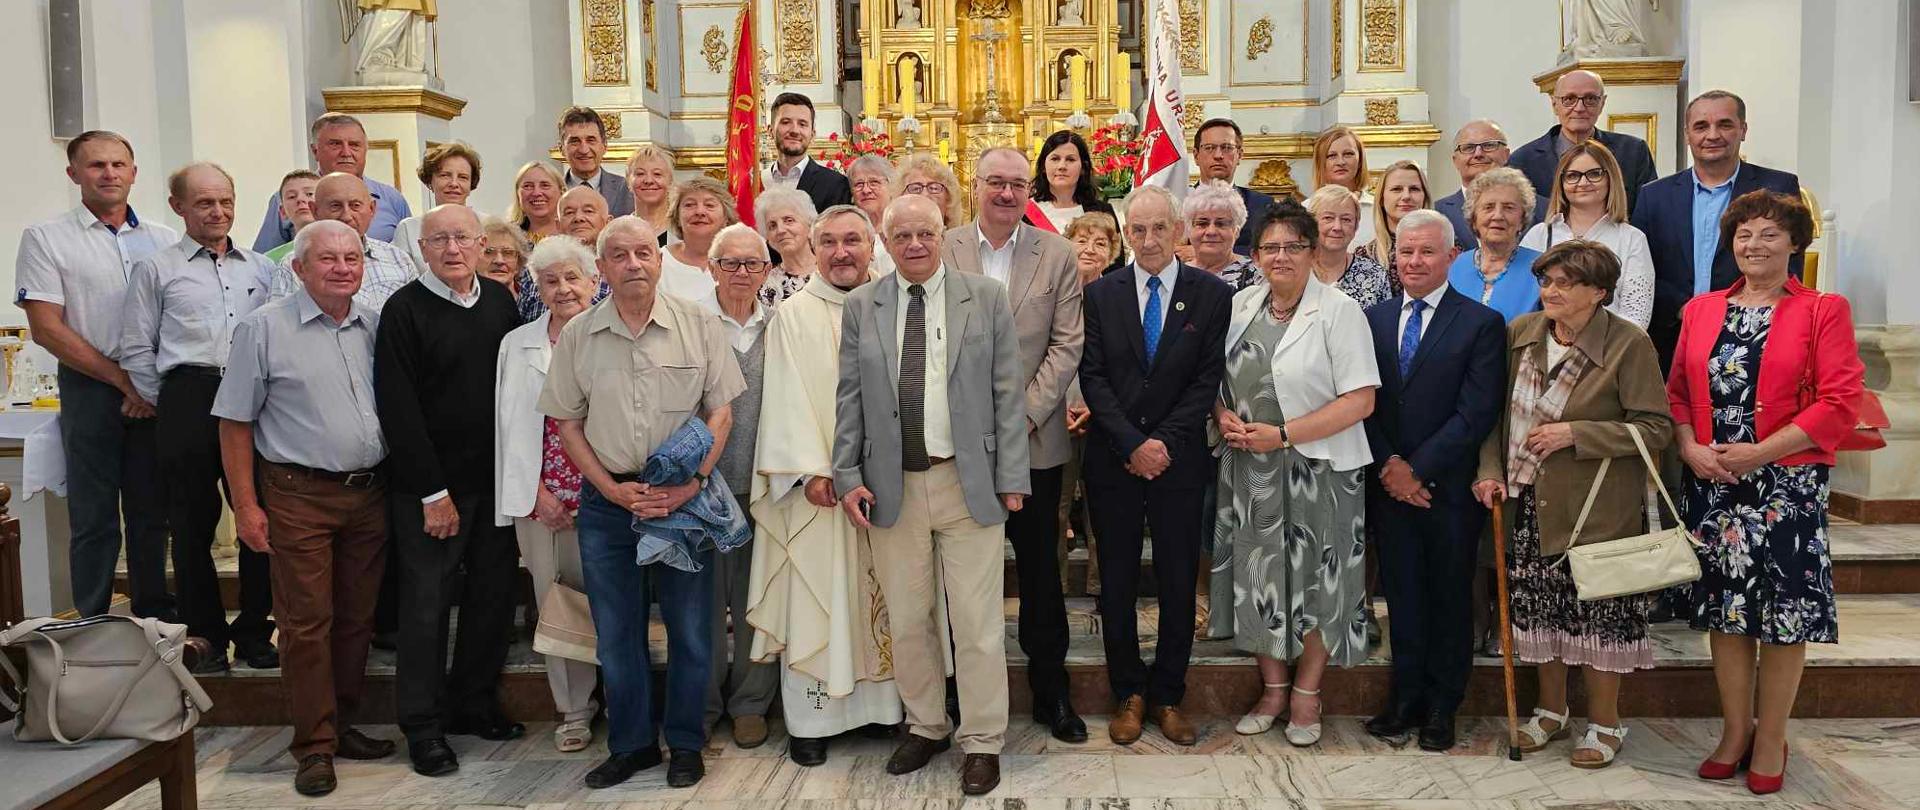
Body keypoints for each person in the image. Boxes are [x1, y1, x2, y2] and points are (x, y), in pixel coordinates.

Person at [832, 194, 1029, 796]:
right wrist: (845, 474)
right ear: (886, 243)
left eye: (925, 232)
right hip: (893, 484)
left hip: (967, 483)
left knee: (976, 625)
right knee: (909, 618)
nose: (914, 244)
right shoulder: (864, 304)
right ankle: (926, 724)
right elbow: (849, 396)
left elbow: (1007, 390)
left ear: (944, 234)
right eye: (902, 235)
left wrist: (1012, 476)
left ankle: (983, 740)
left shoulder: (986, 297)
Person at [541, 215, 744, 789]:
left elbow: (720, 411)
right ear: (601, 269)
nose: (633, 264)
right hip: (609, 504)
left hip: (684, 500)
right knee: (617, 631)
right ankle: (631, 745)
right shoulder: (580, 334)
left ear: (659, 262)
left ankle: (684, 742)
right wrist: (607, 488)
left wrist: (693, 483)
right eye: (619, 256)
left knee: (691, 629)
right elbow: (566, 421)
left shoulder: (699, 324)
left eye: (642, 254)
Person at [1669, 191, 1860, 795]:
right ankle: (1733, 731)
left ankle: (1771, 735)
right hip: (1714, 482)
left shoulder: (1823, 309)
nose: (1754, 245)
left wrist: (1761, 452)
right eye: (1745, 234)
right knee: (1727, 612)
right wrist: (1689, 447)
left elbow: (1840, 400)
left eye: (1770, 235)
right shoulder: (1700, 310)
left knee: (1783, 613)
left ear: (1795, 244)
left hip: (1787, 483)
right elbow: (1675, 393)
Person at [1472, 240, 1674, 769]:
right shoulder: (1522, 333)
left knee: (1599, 618)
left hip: (1599, 509)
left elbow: (1656, 429)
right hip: (1528, 503)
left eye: (1565, 283)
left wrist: (1575, 433)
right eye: (1547, 281)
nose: (1551, 292)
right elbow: (1490, 416)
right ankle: (1550, 711)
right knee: (1541, 615)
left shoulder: (1629, 345)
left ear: (1599, 292)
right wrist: (1490, 472)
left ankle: (1605, 723)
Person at [212, 219, 396, 797]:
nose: (343, 267)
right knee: (305, 623)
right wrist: (246, 505)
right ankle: (313, 745)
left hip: (368, 494)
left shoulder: (375, 324)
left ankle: (340, 723)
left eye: (353, 257)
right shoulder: (263, 329)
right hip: (297, 495)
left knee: (355, 617)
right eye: (328, 259)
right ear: (298, 267)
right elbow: (235, 423)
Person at [1212, 201, 1381, 747]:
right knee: (1260, 579)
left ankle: (1308, 694)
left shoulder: (1339, 311)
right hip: (1251, 468)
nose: (1280, 256)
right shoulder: (1240, 304)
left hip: (1321, 468)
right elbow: (1215, 382)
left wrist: (1284, 435)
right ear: (1255, 255)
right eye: (1270, 248)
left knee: (1318, 581)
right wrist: (1222, 415)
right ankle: (1272, 688)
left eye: (1293, 246)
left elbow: (1360, 401)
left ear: (1313, 252)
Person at [1079, 185, 1234, 748]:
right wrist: (1130, 443)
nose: (1147, 240)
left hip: (1179, 459)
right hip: (1113, 459)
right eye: (1137, 230)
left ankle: (1168, 694)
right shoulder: (1101, 294)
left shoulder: (1212, 294)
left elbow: (1206, 379)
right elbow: (1092, 376)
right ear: (1126, 233)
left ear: (1179, 231)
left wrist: (1163, 442)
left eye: (1158, 229)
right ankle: (1129, 693)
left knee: (1174, 580)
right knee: (1116, 581)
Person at [748, 204, 903, 767]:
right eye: (830, 242)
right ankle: (812, 721)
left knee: (889, 598)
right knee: (821, 594)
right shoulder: (793, 315)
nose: (842, 252)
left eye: (854, 241)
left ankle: (885, 711)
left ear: (871, 245)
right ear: (813, 251)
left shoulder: (894, 304)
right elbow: (784, 395)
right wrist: (815, 472)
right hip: (821, 492)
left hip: (888, 487)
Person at [942, 147, 1087, 744]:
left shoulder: (1055, 253)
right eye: (994, 182)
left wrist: (1019, 418)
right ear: (973, 185)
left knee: (1041, 575)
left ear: (1030, 191)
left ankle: (1052, 694)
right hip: (954, 444)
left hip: (1034, 444)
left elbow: (1066, 345)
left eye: (1017, 184)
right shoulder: (942, 246)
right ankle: (955, 699)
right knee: (960, 577)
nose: (1006, 193)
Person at [374, 204, 523, 778]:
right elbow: (399, 407)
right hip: (433, 490)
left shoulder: (499, 302)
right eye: (440, 240)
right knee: (427, 608)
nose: (453, 249)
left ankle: (473, 704)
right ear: (422, 248)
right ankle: (423, 725)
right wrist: (431, 491)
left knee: (491, 598)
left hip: (494, 483)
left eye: (463, 237)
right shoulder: (404, 310)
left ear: (482, 244)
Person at [117, 162, 278, 673]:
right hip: (188, 391)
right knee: (190, 522)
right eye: (205, 202)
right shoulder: (157, 269)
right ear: (179, 207)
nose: (218, 211)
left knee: (258, 517)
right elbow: (137, 345)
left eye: (225, 201)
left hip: (251, 396)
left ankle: (255, 629)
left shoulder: (259, 268)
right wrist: (166, 403)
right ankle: (205, 633)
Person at [1359, 210, 1506, 751]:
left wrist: (1416, 468)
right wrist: (1388, 466)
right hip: (1388, 484)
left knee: (1449, 596)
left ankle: (1444, 704)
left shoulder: (1479, 323)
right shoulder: (1371, 319)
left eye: (1425, 252)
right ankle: (1405, 697)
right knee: (1400, 595)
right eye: (1404, 251)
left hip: (1446, 488)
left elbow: (1477, 411)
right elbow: (1362, 400)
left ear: (1451, 257)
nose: (1414, 261)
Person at [15, 130, 177, 620]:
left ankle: (156, 619)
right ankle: (91, 620)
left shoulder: (164, 238)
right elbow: (45, 327)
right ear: (73, 174)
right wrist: (121, 379)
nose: (109, 174)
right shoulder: (46, 238)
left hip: (154, 388)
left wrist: (144, 381)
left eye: (118, 165)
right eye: (95, 166)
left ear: (133, 172)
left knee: (152, 514)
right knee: (93, 516)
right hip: (91, 386)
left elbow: (178, 314)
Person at [492, 237, 603, 754]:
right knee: (556, 605)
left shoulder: (614, 336)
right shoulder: (517, 343)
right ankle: (574, 710)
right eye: (551, 280)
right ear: (537, 288)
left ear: (593, 281)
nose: (563, 289)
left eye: (572, 278)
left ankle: (623, 700)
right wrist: (536, 493)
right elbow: (507, 426)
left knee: (613, 606)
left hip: (607, 496)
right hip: (543, 502)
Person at [1632, 90, 1802, 372]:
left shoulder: (1778, 187)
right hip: (1672, 336)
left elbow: (1789, 265)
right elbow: (1640, 267)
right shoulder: (1654, 196)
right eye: (1701, 126)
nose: (1712, 135)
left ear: (1743, 130)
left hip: (1755, 334)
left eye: (1724, 124)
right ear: (1687, 134)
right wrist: (1683, 309)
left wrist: (1740, 311)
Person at [694, 223, 780, 748]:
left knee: (757, 602)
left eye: (752, 264)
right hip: (703, 487)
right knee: (701, 603)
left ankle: (751, 702)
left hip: (765, 485)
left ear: (767, 272)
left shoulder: (783, 325)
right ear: (712, 267)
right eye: (731, 263)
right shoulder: (691, 325)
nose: (742, 273)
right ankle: (700, 702)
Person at [1521, 141, 1655, 329]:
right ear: (1561, 182)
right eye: (1573, 176)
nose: (1583, 183)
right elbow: (1525, 303)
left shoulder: (1632, 239)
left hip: (1611, 352)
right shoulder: (1539, 235)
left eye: (1594, 174)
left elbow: (1636, 317)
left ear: (1611, 178)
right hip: (1547, 348)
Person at [1060, 212, 1122, 588]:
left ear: (1112, 253)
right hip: (1056, 415)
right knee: (1056, 510)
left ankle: (1104, 588)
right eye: (1081, 240)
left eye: (1100, 242)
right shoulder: (1053, 295)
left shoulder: (1119, 299)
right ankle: (1056, 590)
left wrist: (1098, 409)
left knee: (1104, 512)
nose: (1089, 249)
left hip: (1104, 418)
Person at [254, 113, 411, 251]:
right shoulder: (290, 198)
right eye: (335, 144)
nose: (346, 153)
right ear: (315, 151)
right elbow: (265, 262)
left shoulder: (392, 198)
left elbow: (411, 253)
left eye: (354, 145)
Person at [1509, 70, 1656, 214]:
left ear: (1602, 104)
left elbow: (1649, 215)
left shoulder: (1633, 152)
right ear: (1554, 104)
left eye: (1590, 99)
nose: (1579, 108)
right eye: (1569, 99)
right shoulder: (1522, 161)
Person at [272, 173, 420, 313]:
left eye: (355, 205)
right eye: (335, 206)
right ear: (315, 210)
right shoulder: (293, 266)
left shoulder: (399, 260)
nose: (346, 216)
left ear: (372, 209)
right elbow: (280, 328)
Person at [1449, 167, 1543, 321]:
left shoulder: (1542, 269)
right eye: (1488, 207)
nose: (1498, 215)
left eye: (1509, 208)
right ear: (1474, 219)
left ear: (1522, 219)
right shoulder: (1453, 266)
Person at [393, 141, 485, 272]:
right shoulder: (408, 229)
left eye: (463, 177)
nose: (454, 183)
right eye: (445, 175)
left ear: (471, 185)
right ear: (430, 181)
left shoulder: (488, 224)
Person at [1193, 118, 1276, 255]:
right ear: (1196, 156)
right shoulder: (1179, 200)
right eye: (1209, 148)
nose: (1218, 155)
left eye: (1226, 148)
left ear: (1240, 155)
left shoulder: (1263, 206)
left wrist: (1201, 251)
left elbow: (1269, 250)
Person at [1306, 185, 1395, 309]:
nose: (1337, 227)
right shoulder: (1295, 269)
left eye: (1346, 219)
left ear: (1356, 226)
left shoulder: (1374, 275)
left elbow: (1383, 325)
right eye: (1328, 218)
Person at [1435, 120, 1516, 251]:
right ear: (1455, 160)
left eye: (1489, 145)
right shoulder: (1436, 212)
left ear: (1506, 154)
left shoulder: (1541, 209)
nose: (1478, 154)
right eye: (1468, 148)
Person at [766, 92, 853, 213]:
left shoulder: (835, 185)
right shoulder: (755, 183)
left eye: (802, 124)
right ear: (770, 131)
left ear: (812, 134)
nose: (795, 130)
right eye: (786, 122)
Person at [1356, 160, 1432, 281]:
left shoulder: (1446, 246)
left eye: (1414, 189)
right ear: (1381, 198)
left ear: (1425, 197)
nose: (1406, 196)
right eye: (1397, 189)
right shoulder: (1366, 256)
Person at [1028, 131, 1116, 234]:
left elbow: (1115, 249)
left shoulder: (1103, 211)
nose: (1062, 166)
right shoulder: (1024, 213)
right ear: (1043, 166)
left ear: (1083, 167)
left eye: (1070, 159)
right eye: (1055, 159)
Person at [662, 177, 734, 301]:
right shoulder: (658, 262)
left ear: (726, 217)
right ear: (677, 216)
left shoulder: (743, 262)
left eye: (709, 205)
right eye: (689, 205)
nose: (700, 212)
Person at [558, 106, 636, 218]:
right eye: (575, 141)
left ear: (604, 145)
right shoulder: (552, 192)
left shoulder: (627, 190)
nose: (584, 150)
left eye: (591, 140)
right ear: (561, 148)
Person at [1183, 180, 1260, 290]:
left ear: (1236, 230)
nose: (1211, 232)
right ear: (1189, 229)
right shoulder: (1175, 274)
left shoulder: (1258, 275)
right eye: (1202, 223)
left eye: (1221, 224)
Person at [754, 188, 820, 306]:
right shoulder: (763, 286)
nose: (780, 230)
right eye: (772, 226)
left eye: (789, 220)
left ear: (810, 225)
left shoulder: (833, 271)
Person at [1312, 126, 1374, 247]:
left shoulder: (1378, 209)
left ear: (1360, 160)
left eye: (1348, 154)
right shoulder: (1305, 209)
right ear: (1321, 163)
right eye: (1332, 156)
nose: (1340, 162)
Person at [892, 153, 968, 232]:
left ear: (949, 200)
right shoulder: (890, 242)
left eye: (934, 188)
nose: (925, 194)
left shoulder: (963, 242)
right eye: (916, 188)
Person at [262, 170, 321, 264]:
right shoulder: (270, 260)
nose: (300, 199)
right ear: (283, 211)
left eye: (309, 194)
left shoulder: (345, 248)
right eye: (292, 196)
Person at [623, 144, 675, 245]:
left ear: (670, 182)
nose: (648, 180)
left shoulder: (685, 231)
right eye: (640, 174)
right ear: (628, 182)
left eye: (657, 174)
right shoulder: (617, 231)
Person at [507, 161, 566, 242]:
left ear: (561, 191)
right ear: (518, 194)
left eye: (545, 185)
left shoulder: (574, 234)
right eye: (528, 186)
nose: (536, 193)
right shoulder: (506, 238)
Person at [847, 154, 897, 232]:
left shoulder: (902, 225)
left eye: (874, 182)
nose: (866, 190)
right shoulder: (846, 229)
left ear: (891, 186)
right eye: (859, 184)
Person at [479, 215, 528, 290]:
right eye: (489, 252)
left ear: (518, 263)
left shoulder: (533, 297)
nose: (499, 261)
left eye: (508, 253)